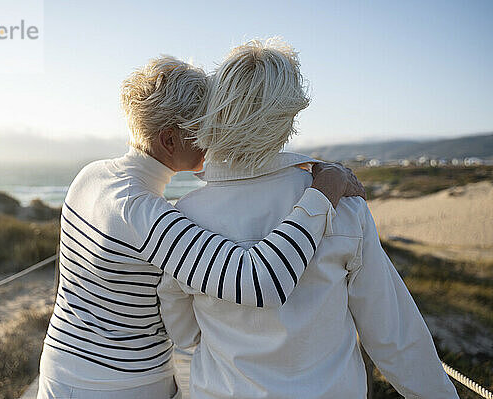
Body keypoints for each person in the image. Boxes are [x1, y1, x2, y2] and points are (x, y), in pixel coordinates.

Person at [36, 56, 364, 399]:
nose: (214, 136)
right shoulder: (147, 214)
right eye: (204, 126)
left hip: (58, 368)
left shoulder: (89, 176)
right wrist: (322, 192)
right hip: (123, 386)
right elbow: (261, 281)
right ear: (170, 140)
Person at [158, 38, 459, 398]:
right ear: (288, 117)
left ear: (219, 109)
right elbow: (394, 336)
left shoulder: (184, 218)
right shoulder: (344, 206)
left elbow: (184, 332)